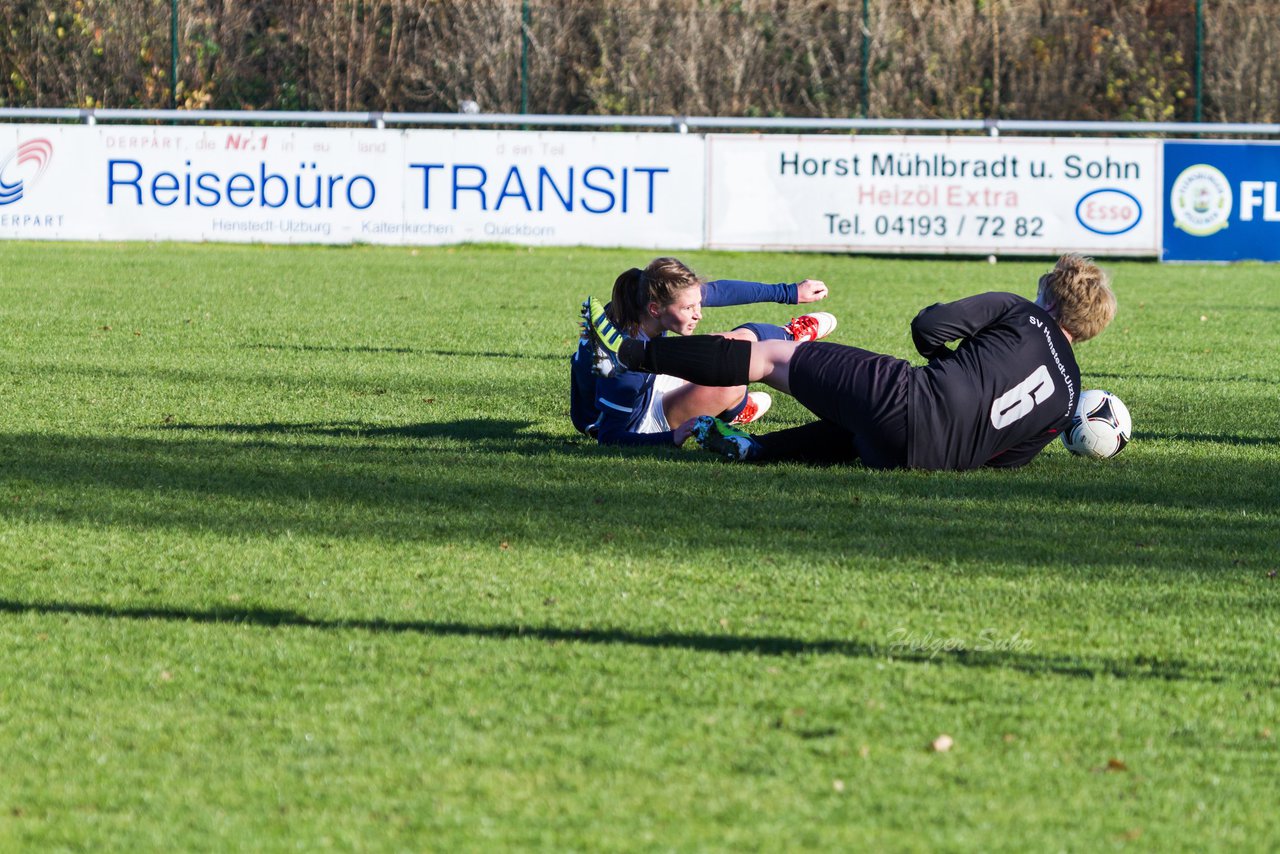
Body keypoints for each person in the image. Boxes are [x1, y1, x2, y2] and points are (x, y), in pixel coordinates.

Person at [581, 253, 1115, 470]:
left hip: (908, 398)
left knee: (770, 356)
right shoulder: (1068, 398)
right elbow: (1007, 461)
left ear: (1050, 296)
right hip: (925, 459)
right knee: (854, 425)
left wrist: (951, 363)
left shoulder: (1022, 313)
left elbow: (928, 328)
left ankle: (636, 353)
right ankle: (752, 449)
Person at [571, 256, 836, 446]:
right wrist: (670, 438)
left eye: (697, 304)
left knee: (724, 345)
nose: (698, 314)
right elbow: (609, 436)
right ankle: (733, 408)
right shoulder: (622, 366)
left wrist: (789, 292)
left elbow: (722, 291)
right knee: (731, 378)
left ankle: (787, 334)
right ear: (656, 310)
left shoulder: (639, 303)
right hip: (636, 421)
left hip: (648, 381)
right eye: (689, 309)